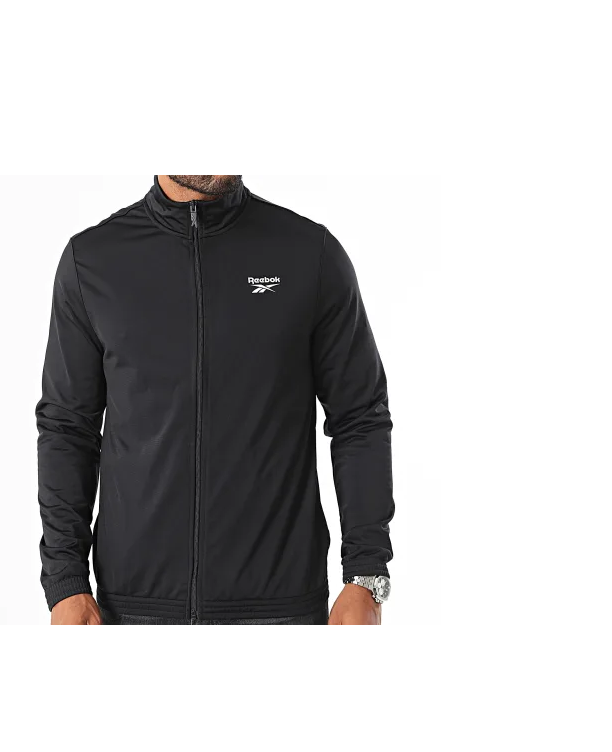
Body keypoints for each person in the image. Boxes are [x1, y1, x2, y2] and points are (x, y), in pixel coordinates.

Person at [37, 176, 393, 625]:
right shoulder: (93, 260)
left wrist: (365, 574)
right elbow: (68, 429)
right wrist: (65, 581)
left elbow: (360, 416)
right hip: (132, 611)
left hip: (279, 611)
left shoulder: (309, 254)